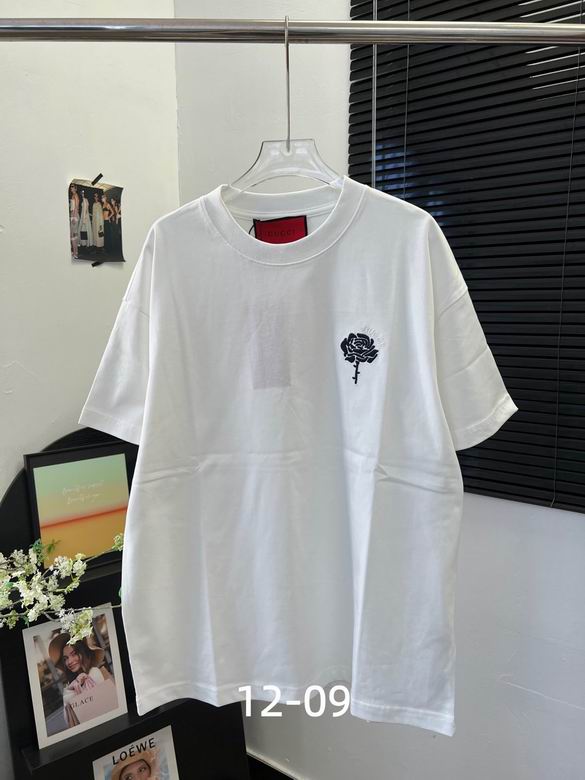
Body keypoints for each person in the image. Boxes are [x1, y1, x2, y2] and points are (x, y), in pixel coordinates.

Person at [48, 631, 112, 728]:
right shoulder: (72, 684)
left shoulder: (94, 673)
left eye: (74, 654)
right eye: (65, 659)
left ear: (82, 653)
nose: (69, 661)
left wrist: (72, 690)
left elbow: (92, 709)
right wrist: (71, 688)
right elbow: (69, 719)